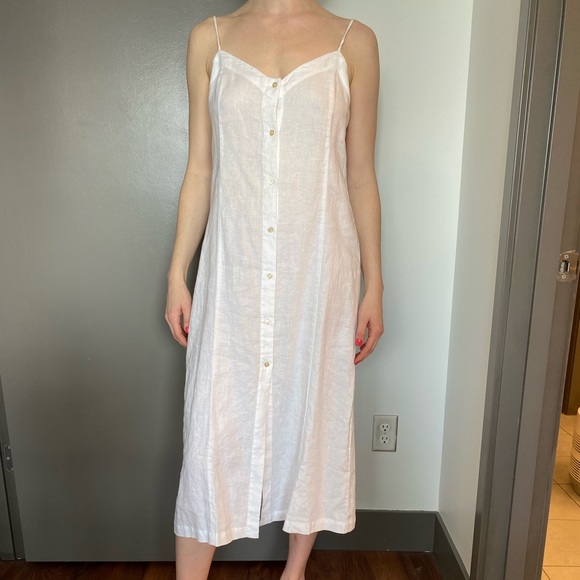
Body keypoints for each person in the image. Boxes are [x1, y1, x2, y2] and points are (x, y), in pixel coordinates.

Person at [165, 1, 383, 578]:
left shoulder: (354, 42)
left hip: (320, 271)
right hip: (233, 272)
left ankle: (295, 571)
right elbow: (200, 169)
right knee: (214, 424)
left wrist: (375, 284)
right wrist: (177, 272)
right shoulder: (210, 39)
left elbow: (360, 173)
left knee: (311, 411)